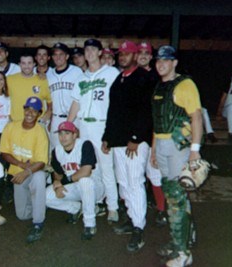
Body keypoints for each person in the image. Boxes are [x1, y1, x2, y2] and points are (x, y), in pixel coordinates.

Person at [151, 45, 202, 266]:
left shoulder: (185, 84)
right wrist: (153, 150)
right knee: (174, 194)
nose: (161, 64)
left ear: (174, 62)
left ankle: (183, 253)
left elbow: (196, 117)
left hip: (178, 145)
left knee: (176, 197)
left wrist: (195, 150)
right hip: (161, 144)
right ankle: (180, 239)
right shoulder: (159, 87)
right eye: (158, 60)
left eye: (166, 60)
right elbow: (157, 121)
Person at [102, 40, 153, 253]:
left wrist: (136, 137)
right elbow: (113, 112)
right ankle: (133, 220)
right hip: (118, 142)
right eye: (120, 54)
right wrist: (107, 137)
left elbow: (146, 111)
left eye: (127, 53)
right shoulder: (119, 79)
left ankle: (139, 228)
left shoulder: (143, 78)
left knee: (135, 182)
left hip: (134, 143)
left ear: (135, 56)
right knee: (123, 182)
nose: (122, 57)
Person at [68, 39, 120, 224]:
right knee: (90, 167)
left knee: (107, 168)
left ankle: (113, 207)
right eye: (86, 50)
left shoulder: (111, 73)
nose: (89, 53)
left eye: (93, 49)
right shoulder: (81, 78)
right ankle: (96, 202)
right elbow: (76, 103)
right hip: (84, 125)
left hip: (102, 125)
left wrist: (112, 130)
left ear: (100, 53)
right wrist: (68, 124)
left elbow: (118, 102)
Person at [0, 96, 49, 243]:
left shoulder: (40, 131)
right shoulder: (11, 126)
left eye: (34, 111)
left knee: (39, 177)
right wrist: (21, 165)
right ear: (24, 109)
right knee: (21, 215)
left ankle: (38, 223)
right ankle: (39, 202)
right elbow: (4, 152)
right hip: (18, 174)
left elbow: (41, 162)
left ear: (39, 113)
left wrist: (27, 171)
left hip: (33, 172)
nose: (30, 113)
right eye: (28, 109)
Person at [46, 121, 104, 240]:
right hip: (74, 187)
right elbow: (58, 174)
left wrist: (63, 182)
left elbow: (85, 172)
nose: (63, 137)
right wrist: (57, 184)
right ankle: (76, 208)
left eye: (67, 133)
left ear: (74, 135)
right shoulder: (56, 151)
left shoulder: (85, 145)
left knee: (84, 181)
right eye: (60, 134)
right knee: (46, 196)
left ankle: (89, 224)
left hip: (94, 187)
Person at [136, 41, 168, 227]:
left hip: (153, 131)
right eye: (139, 52)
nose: (143, 55)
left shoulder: (158, 77)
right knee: (133, 175)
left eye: (146, 53)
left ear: (151, 56)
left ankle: (162, 209)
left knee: (154, 172)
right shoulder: (129, 75)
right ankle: (131, 208)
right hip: (134, 133)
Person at [47, 42, 82, 148]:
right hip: (56, 118)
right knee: (56, 151)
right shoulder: (49, 75)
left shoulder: (77, 72)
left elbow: (82, 97)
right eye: (55, 54)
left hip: (75, 118)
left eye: (61, 54)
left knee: (76, 150)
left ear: (67, 56)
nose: (58, 57)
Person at [7, 53, 52, 122]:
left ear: (34, 64)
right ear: (19, 64)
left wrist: (49, 112)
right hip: (16, 122)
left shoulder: (42, 80)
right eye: (23, 63)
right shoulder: (10, 79)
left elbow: (49, 100)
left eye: (29, 63)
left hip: (36, 123)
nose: (26, 66)